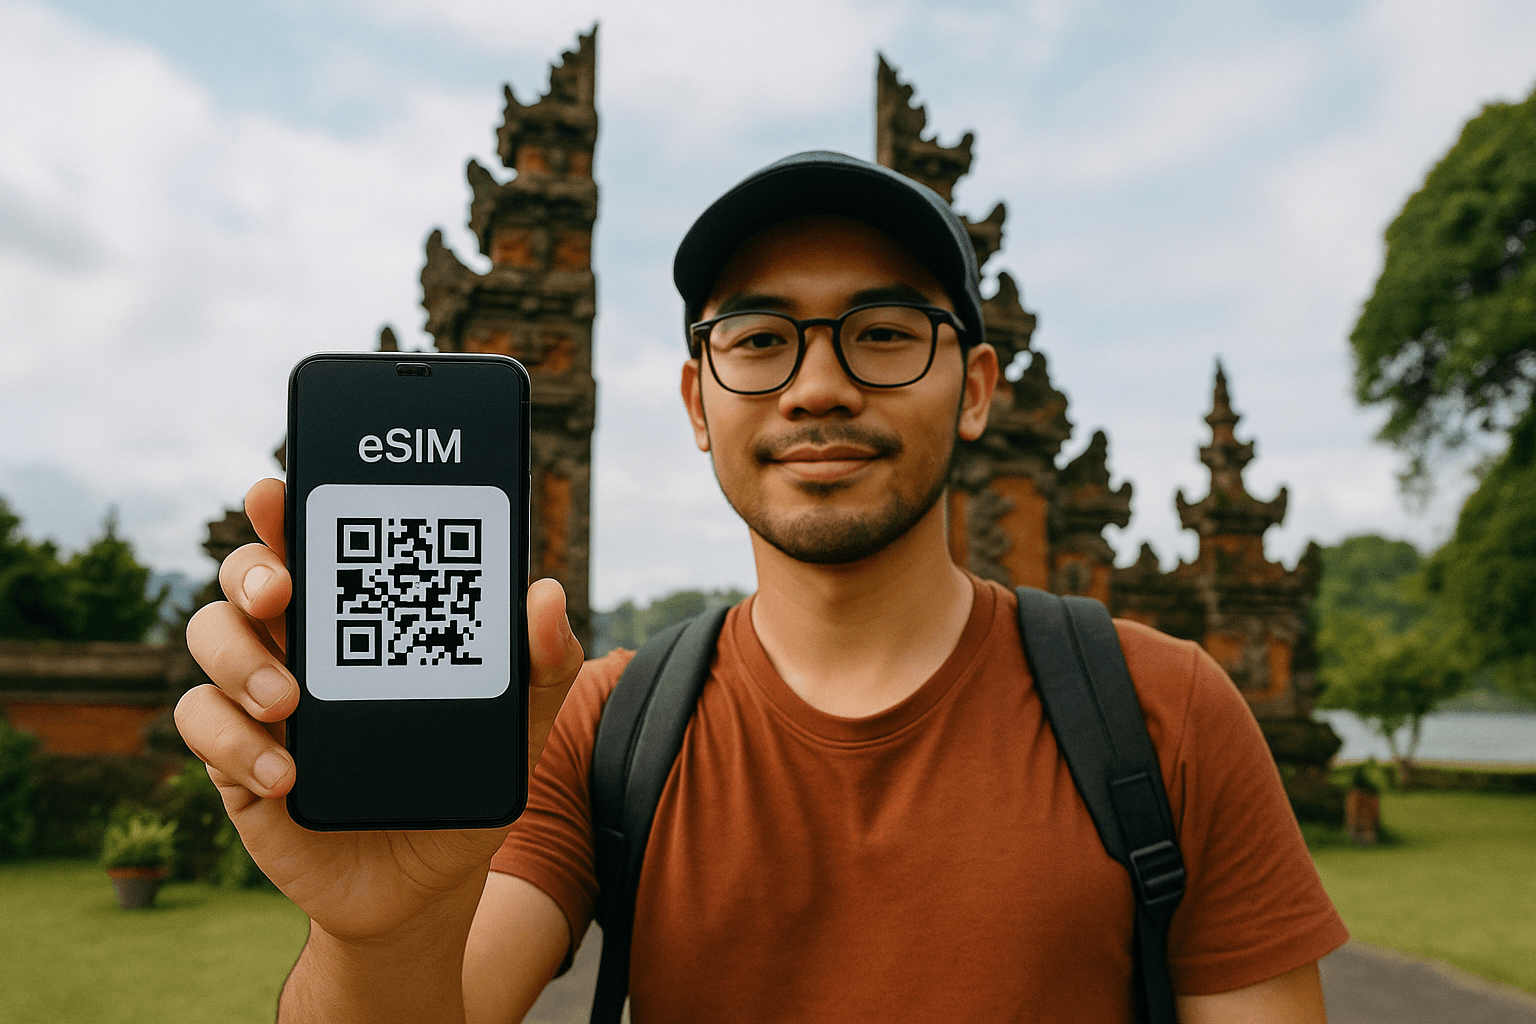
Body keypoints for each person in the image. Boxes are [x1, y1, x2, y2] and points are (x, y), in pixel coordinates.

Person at [177, 151, 1347, 1023]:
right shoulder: (601, 726)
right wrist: (379, 926)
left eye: (885, 333)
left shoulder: (1164, 713)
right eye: (759, 337)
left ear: (979, 388)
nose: (819, 386)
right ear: (699, 401)